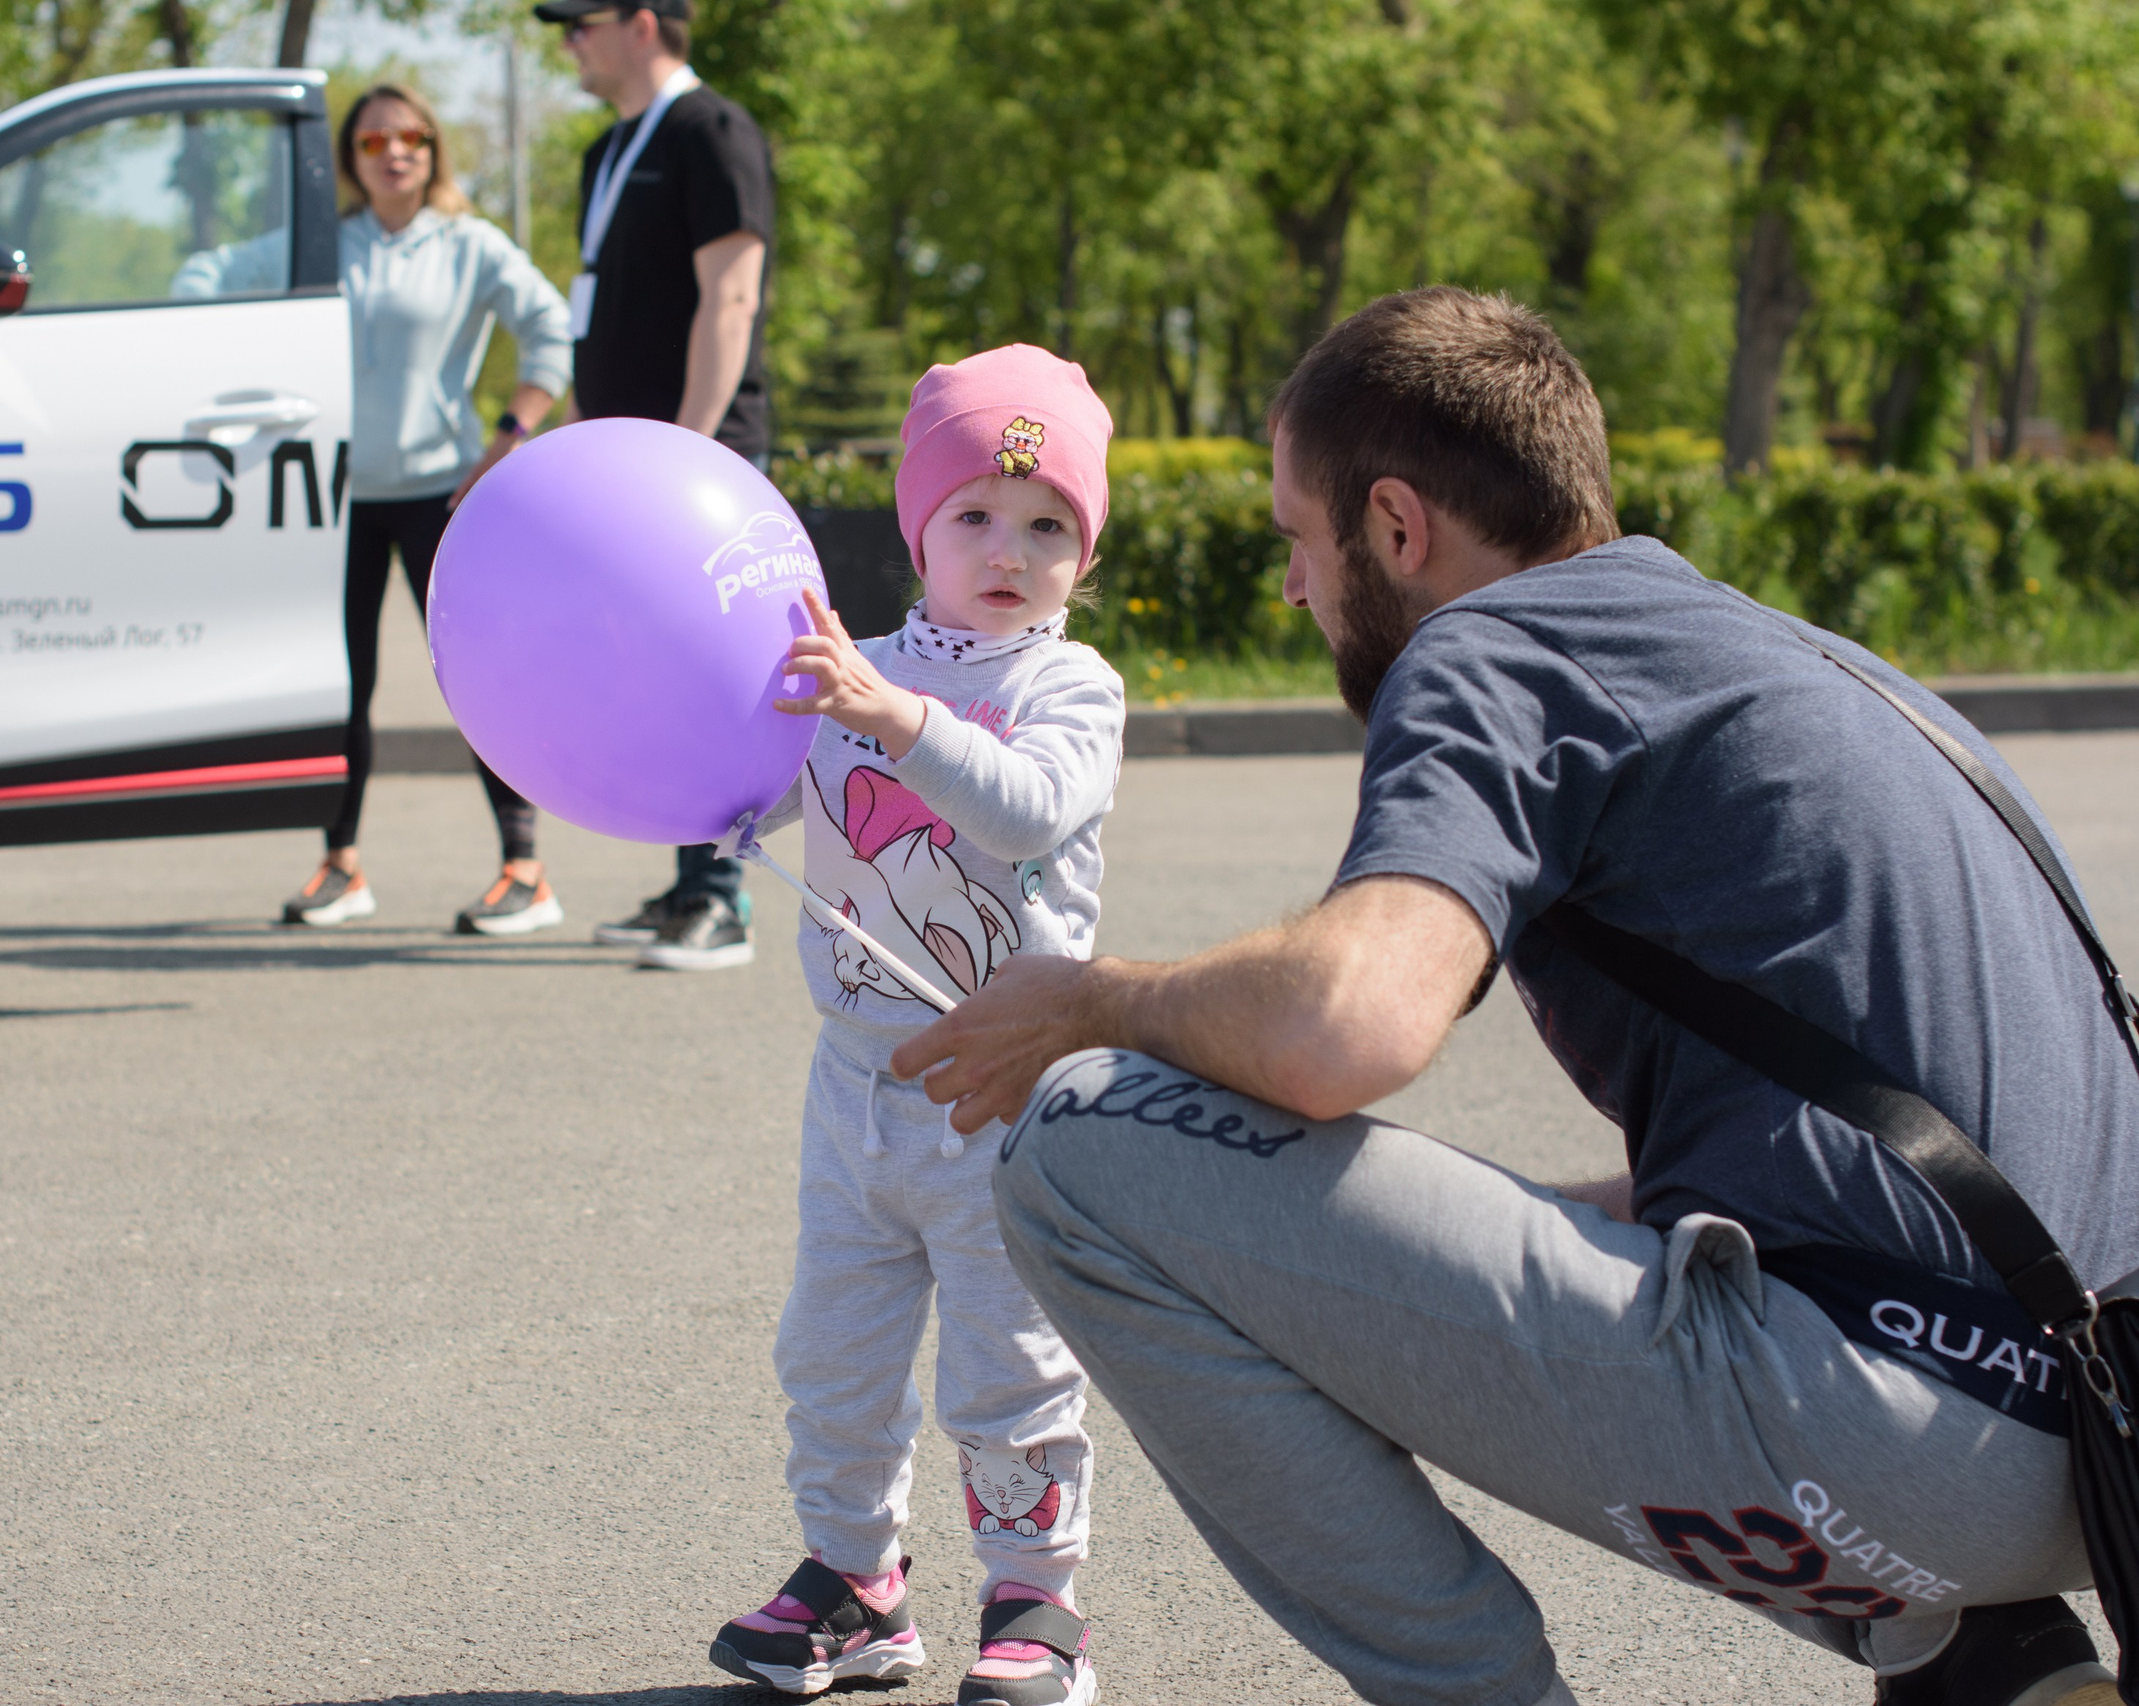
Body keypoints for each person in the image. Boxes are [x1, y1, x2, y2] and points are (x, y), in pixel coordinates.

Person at [889, 289, 2138, 1706]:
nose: (1297, 588)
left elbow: (1342, 1028)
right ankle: (1999, 1665)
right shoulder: (1801, 656)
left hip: (1907, 1438)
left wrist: (1090, 1001)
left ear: (1399, 527)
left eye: (1303, 538)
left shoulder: (1499, 650)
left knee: (1085, 1143)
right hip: (2097, 1447)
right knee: (1567, 1224)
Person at [707, 346, 1124, 1706]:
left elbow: (1024, 808)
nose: (1010, 548)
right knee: (833, 1353)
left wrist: (895, 718)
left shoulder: (1071, 689)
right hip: (857, 1087)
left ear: (1085, 551)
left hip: (1005, 1096)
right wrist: (700, 778)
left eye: (1048, 523)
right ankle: (854, 1580)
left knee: (1011, 1366)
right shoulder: (855, 668)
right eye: (976, 516)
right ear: (919, 528)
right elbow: (761, 789)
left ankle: (1033, 1602)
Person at [181, 84, 572, 931]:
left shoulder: (470, 245)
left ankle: (525, 870)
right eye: (370, 142)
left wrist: (509, 433)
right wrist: (184, 315)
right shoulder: (324, 245)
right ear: (351, 161)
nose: (393, 152)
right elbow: (211, 274)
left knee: (472, 680)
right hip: (337, 497)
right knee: (340, 686)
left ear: (433, 151)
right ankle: (340, 863)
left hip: (442, 493)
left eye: (410, 138)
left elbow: (551, 327)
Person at [535, 0, 774, 970]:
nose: (564, 42)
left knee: (702, 683)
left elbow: (731, 292)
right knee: (646, 680)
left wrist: (690, 451)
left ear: (642, 23)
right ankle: (685, 881)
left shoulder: (712, 130)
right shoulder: (607, 152)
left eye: (576, 22)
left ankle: (720, 892)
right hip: (624, 468)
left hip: (693, 468)